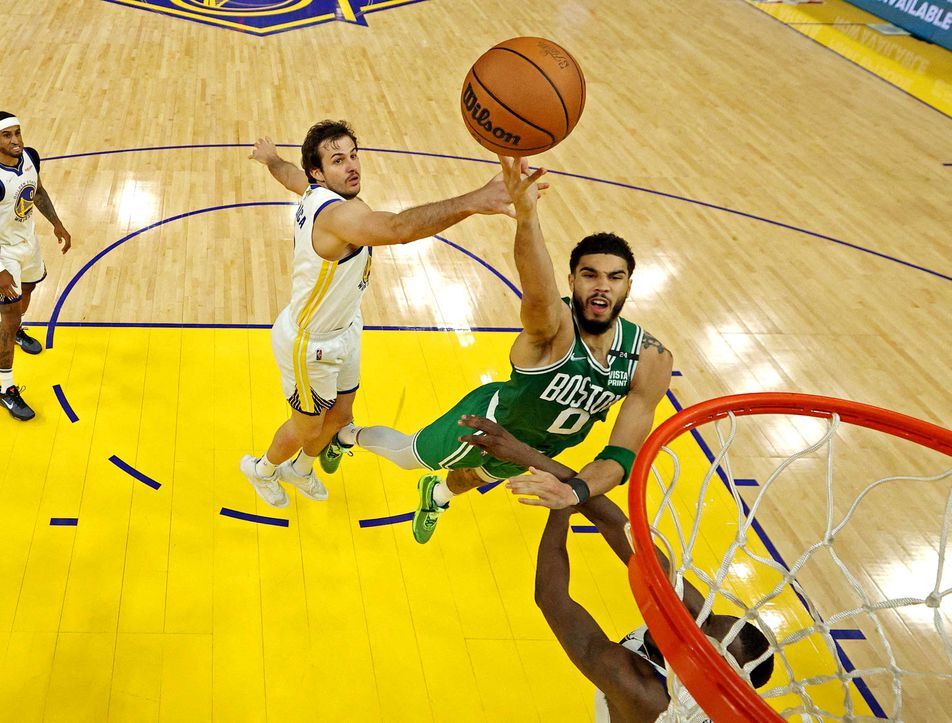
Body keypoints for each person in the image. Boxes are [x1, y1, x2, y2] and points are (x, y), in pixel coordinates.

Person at [331, 155, 673, 543]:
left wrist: (573, 491)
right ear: (572, 280)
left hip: (538, 448)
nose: (602, 286)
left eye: (615, 277)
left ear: (628, 285)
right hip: (487, 424)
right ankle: (346, 436)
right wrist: (527, 217)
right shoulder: (554, 328)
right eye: (589, 275)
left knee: (470, 478)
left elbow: (621, 456)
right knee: (410, 455)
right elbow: (538, 296)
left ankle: (437, 497)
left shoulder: (650, 359)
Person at [240, 120, 521, 508]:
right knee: (308, 429)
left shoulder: (314, 190)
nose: (352, 166)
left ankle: (300, 470)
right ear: (319, 173)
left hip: (345, 328)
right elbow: (399, 227)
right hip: (311, 345)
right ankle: (263, 469)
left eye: (354, 155)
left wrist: (271, 159)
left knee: (340, 418)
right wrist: (474, 200)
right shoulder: (337, 217)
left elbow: (290, 175)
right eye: (338, 160)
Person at [456, 414, 775, 722]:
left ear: (705, 669)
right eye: (707, 621)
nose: (696, 621)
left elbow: (552, 598)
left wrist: (560, 511)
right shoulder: (698, 624)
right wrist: (526, 454)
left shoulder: (641, 690)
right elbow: (617, 528)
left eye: (703, 633)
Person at [0, 112, 72, 421]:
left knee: (31, 288)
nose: (15, 140)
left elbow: (36, 191)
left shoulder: (30, 157)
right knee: (8, 320)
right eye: (7, 136)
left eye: (17, 133)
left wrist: (57, 223)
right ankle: (6, 391)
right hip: (3, 252)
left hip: (28, 243)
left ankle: (18, 328)